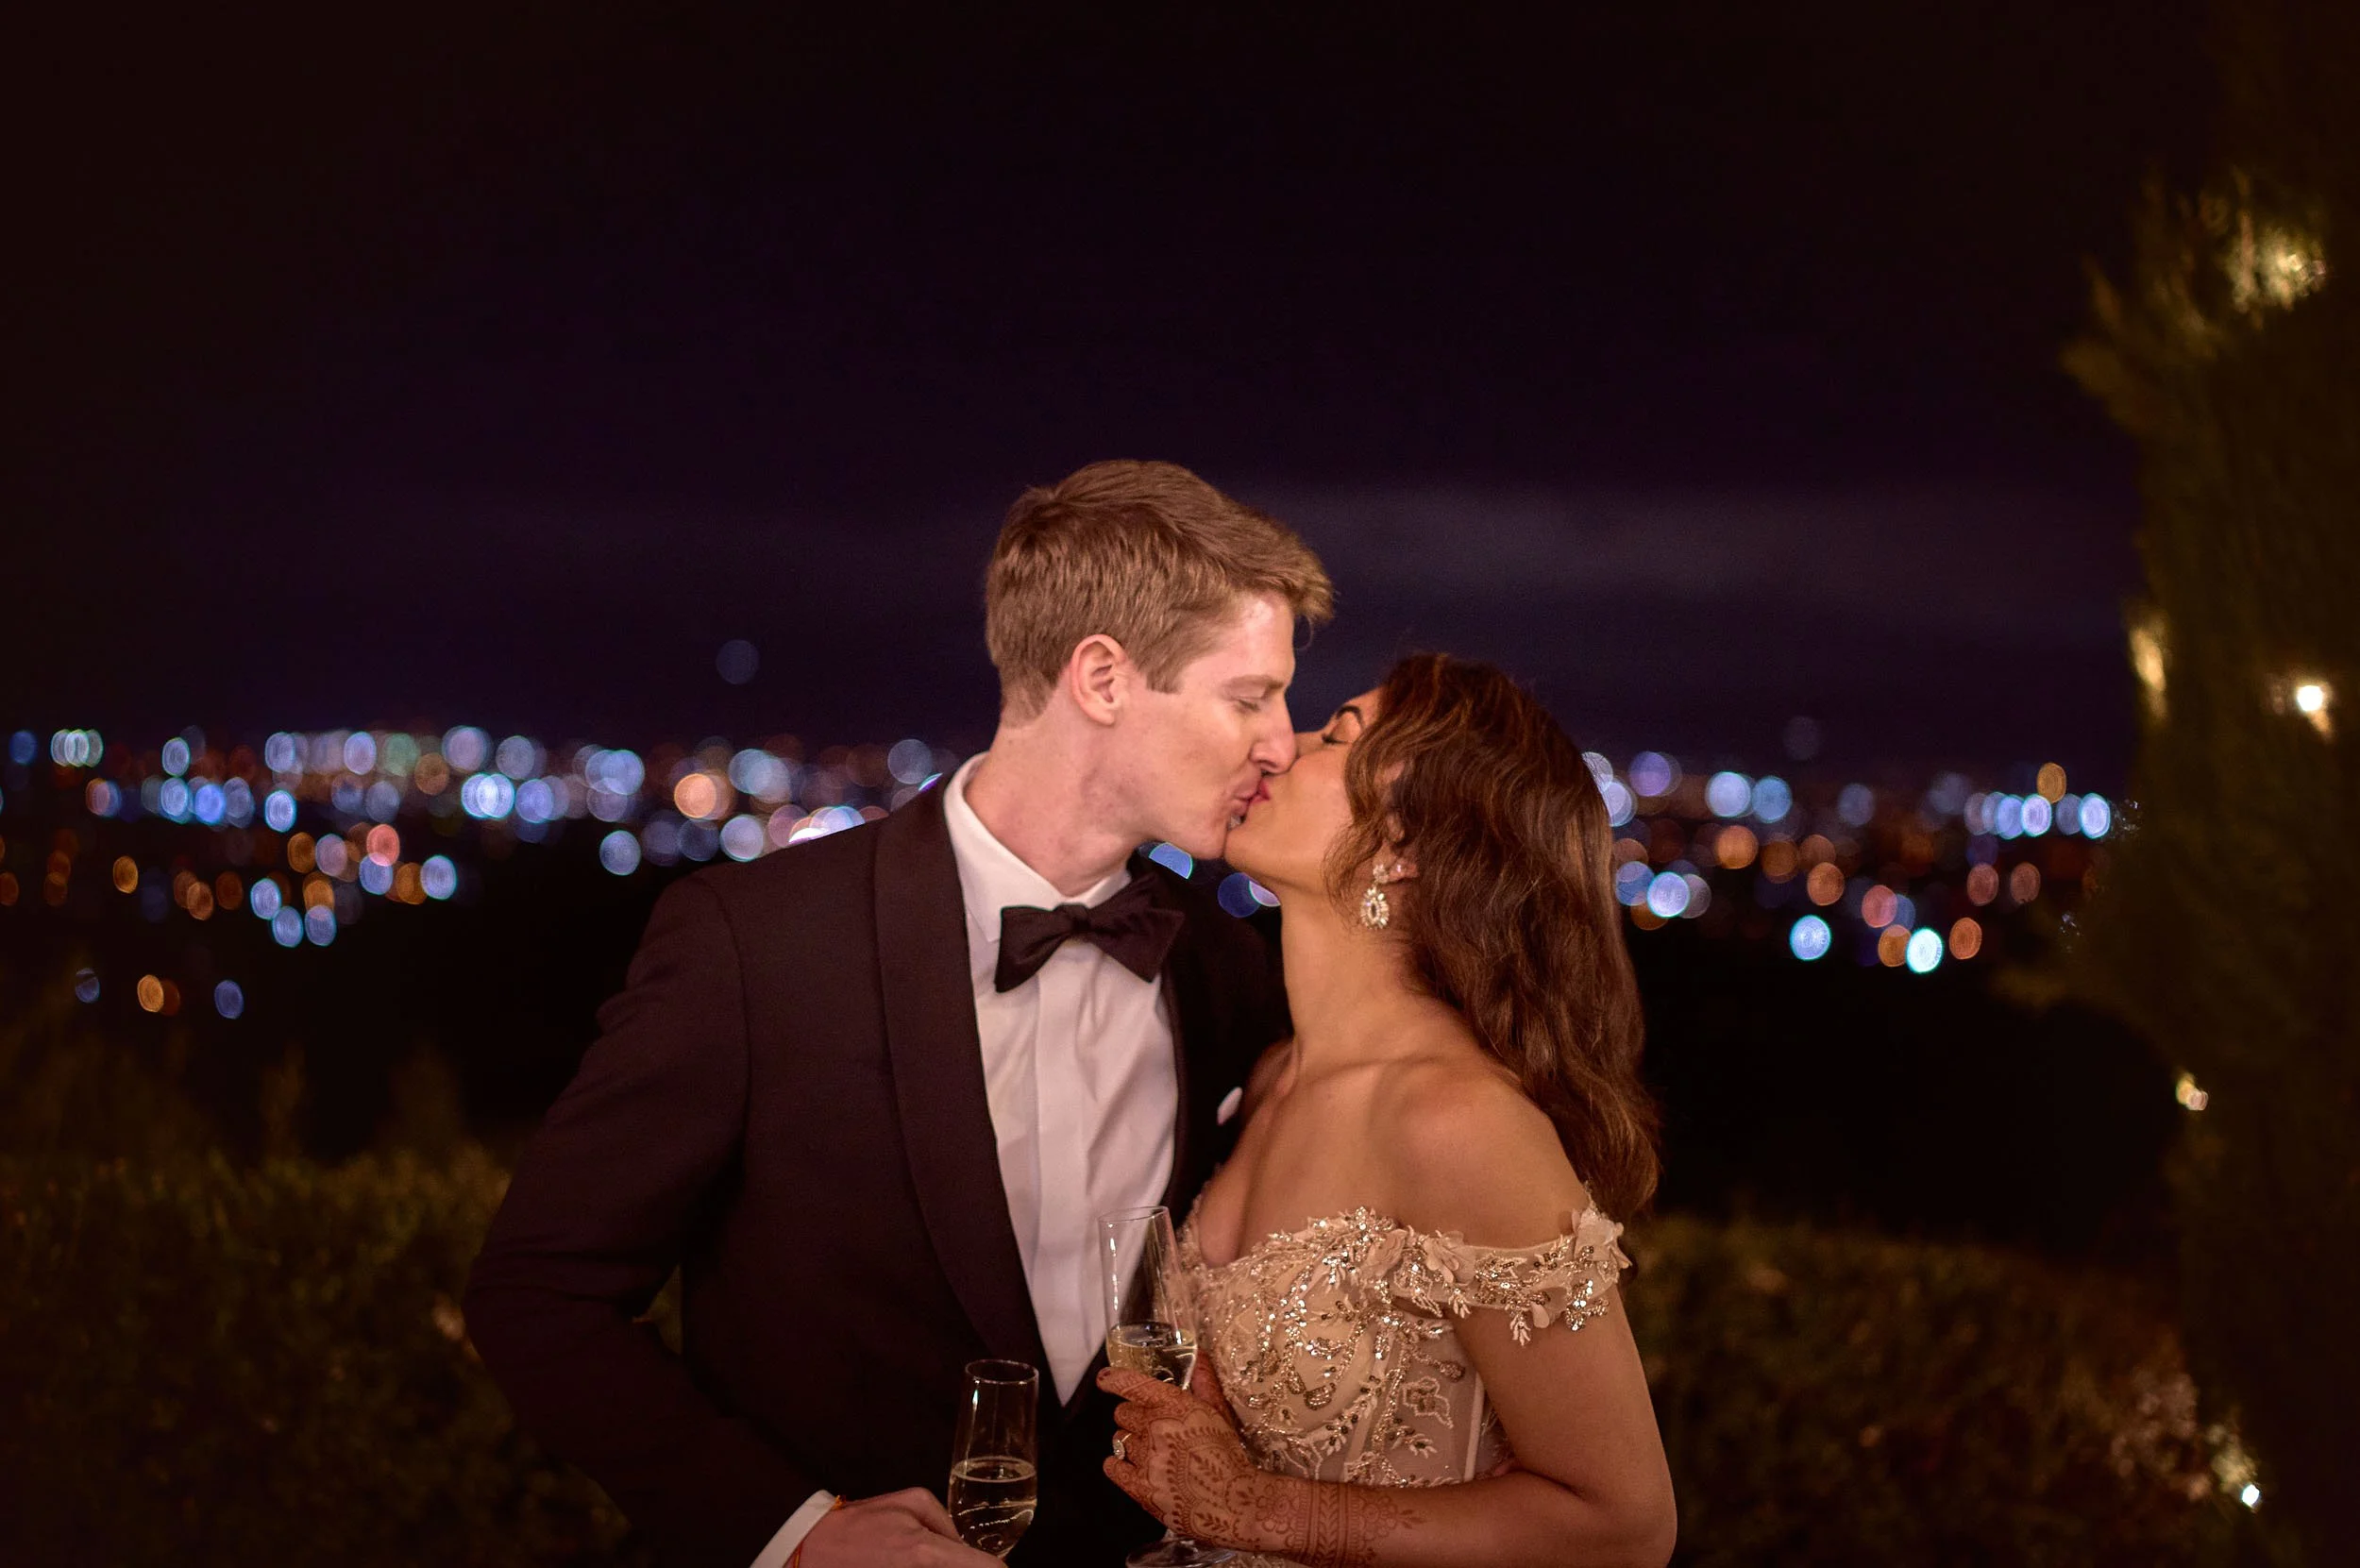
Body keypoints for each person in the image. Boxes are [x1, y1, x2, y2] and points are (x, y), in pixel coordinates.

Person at [464, 460, 1334, 1567]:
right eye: (1250, 694)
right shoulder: (757, 943)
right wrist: (794, 1534)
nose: (1281, 740)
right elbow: (537, 1294)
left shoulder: (1226, 971)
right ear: (1103, 677)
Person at [1098, 654, 1679, 1568]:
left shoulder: (1455, 1119)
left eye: (1337, 738)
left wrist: (1258, 1507)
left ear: (1405, 845)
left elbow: (1624, 1523)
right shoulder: (1273, 1074)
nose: (1282, 746)